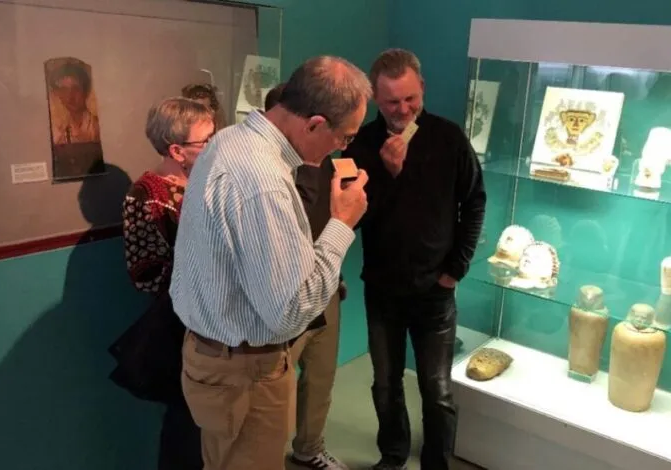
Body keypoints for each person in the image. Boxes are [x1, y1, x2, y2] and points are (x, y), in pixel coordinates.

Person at [169, 56, 372, 470]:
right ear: (314, 124)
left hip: (220, 358)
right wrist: (341, 224)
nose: (342, 148)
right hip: (244, 371)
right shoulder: (263, 181)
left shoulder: (230, 140)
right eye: (344, 137)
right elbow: (289, 314)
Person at [343, 48, 487, 470]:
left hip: (436, 290)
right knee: (385, 385)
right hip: (383, 288)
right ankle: (393, 456)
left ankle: (437, 464)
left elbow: (474, 202)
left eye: (411, 98)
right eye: (392, 102)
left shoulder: (448, 137)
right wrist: (388, 175)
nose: (403, 109)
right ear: (374, 98)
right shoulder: (361, 144)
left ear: (421, 87)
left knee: (437, 390)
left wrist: (455, 269)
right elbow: (349, 219)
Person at [116, 97, 216, 470]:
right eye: (205, 140)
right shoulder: (144, 195)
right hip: (179, 326)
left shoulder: (206, 180)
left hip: (215, 319)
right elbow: (146, 274)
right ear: (176, 149)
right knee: (186, 425)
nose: (214, 144)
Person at [262, 82, 349, 470]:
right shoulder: (270, 173)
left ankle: (309, 447)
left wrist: (334, 274)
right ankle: (266, 457)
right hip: (286, 296)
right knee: (276, 386)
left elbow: (335, 221)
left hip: (326, 286)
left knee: (321, 375)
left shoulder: (330, 159)